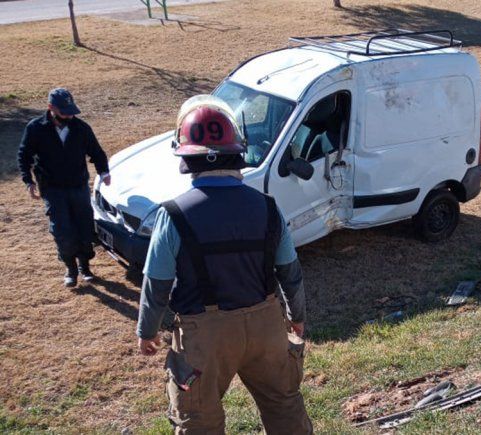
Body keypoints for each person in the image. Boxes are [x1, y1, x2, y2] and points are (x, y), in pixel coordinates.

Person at [135, 95, 312, 434]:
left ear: (186, 159)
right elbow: (289, 271)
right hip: (266, 327)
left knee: (199, 420)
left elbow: (156, 283)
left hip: (204, 336)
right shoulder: (268, 207)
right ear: (238, 153)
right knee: (284, 406)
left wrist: (147, 330)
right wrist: (297, 316)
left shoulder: (172, 215)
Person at [17, 88, 111, 287]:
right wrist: (28, 181)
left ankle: (85, 266)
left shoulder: (81, 128)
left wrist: (104, 172)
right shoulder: (36, 128)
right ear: (51, 108)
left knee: (84, 227)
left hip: (78, 186)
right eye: (64, 112)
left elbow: (96, 151)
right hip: (52, 189)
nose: (69, 116)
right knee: (62, 230)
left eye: (71, 111)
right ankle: (70, 268)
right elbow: (24, 155)